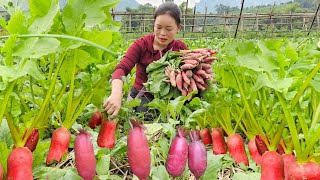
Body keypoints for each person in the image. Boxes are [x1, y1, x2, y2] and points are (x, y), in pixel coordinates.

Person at [104, 2, 188, 119]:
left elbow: (190, 73)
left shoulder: (181, 49)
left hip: (170, 98)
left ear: (178, 28)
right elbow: (122, 68)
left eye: (168, 29)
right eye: (158, 27)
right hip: (143, 95)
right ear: (153, 25)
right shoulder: (141, 45)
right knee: (146, 116)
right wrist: (116, 93)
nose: (162, 33)